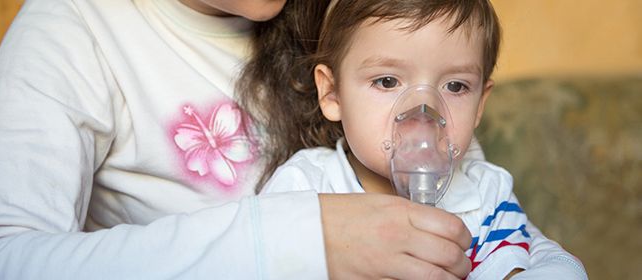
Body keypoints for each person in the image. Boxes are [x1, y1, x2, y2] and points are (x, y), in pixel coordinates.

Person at [0, 0, 474, 279]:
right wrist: (306, 239)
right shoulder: (76, 25)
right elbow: (10, 259)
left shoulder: (354, 12)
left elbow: (468, 190)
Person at [241, 0, 589, 279]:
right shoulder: (305, 188)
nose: (423, 112)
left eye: (455, 86)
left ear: (480, 104)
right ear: (332, 93)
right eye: (388, 81)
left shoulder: (485, 196)